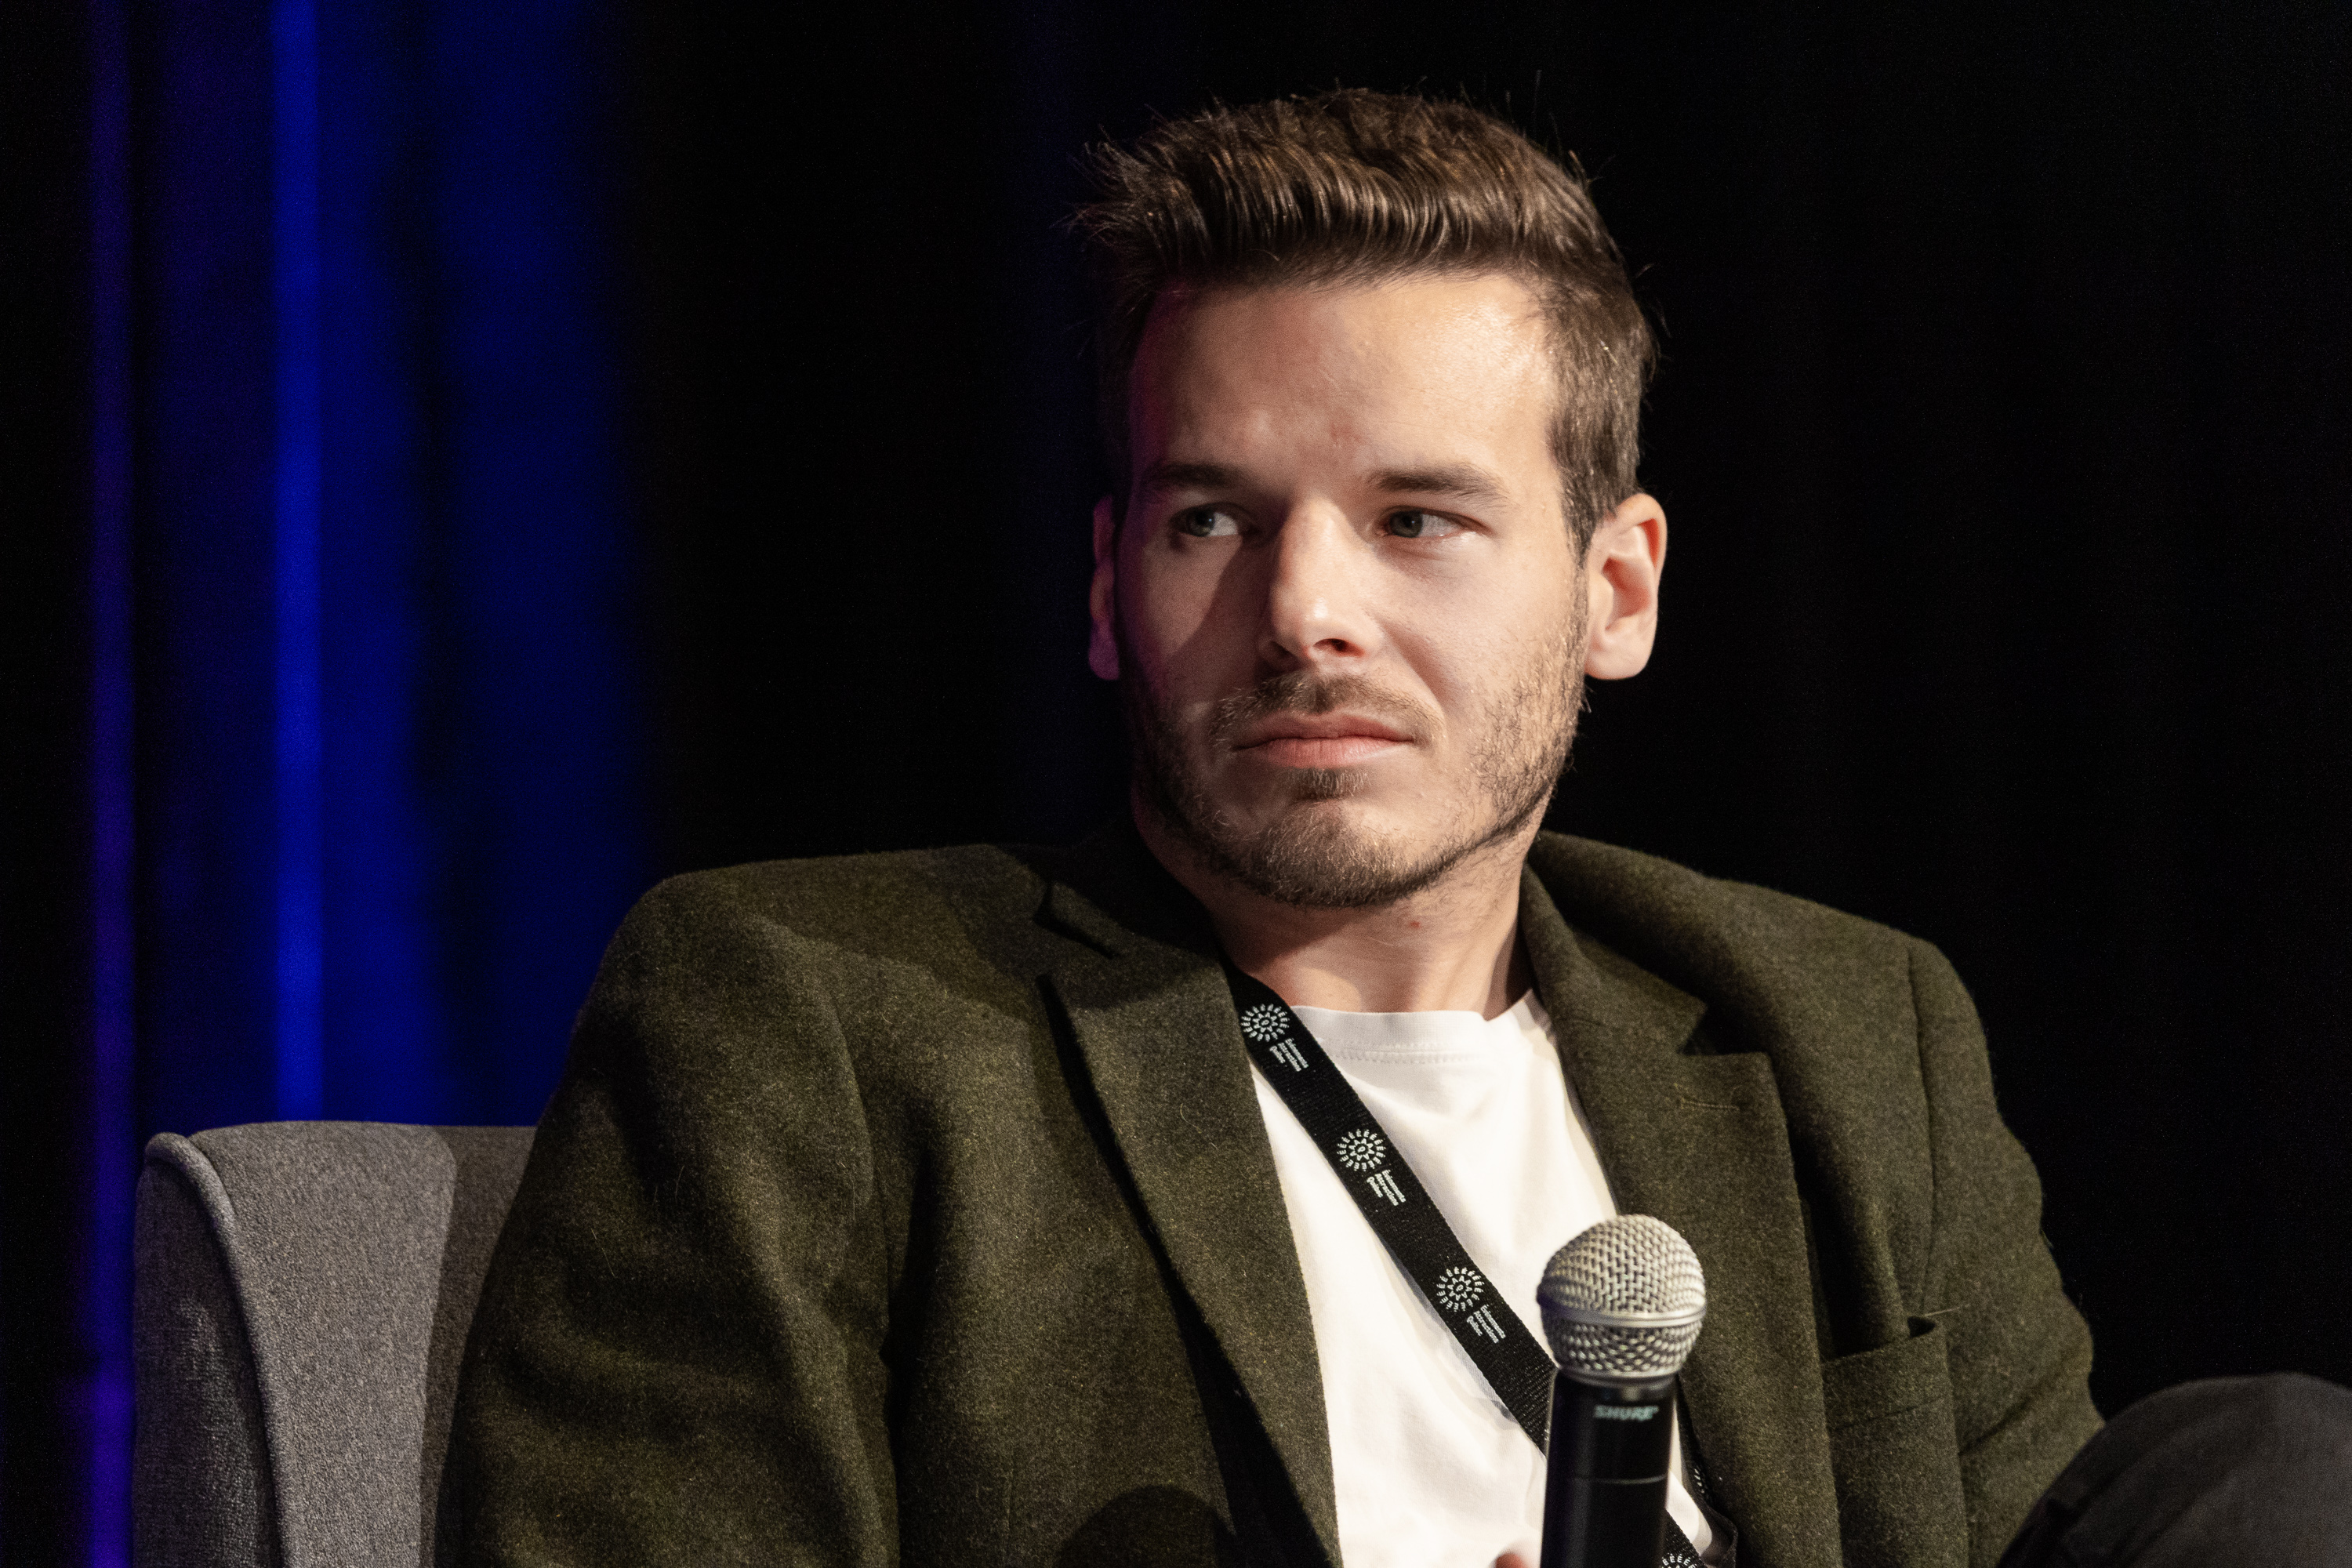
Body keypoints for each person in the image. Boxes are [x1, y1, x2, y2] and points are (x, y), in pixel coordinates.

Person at [448, 90, 2343, 1567]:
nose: (1304, 612)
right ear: (1107, 586)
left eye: (1417, 519)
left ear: (1618, 586)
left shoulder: (1845, 1033)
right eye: (1213, 519)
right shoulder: (809, 1023)